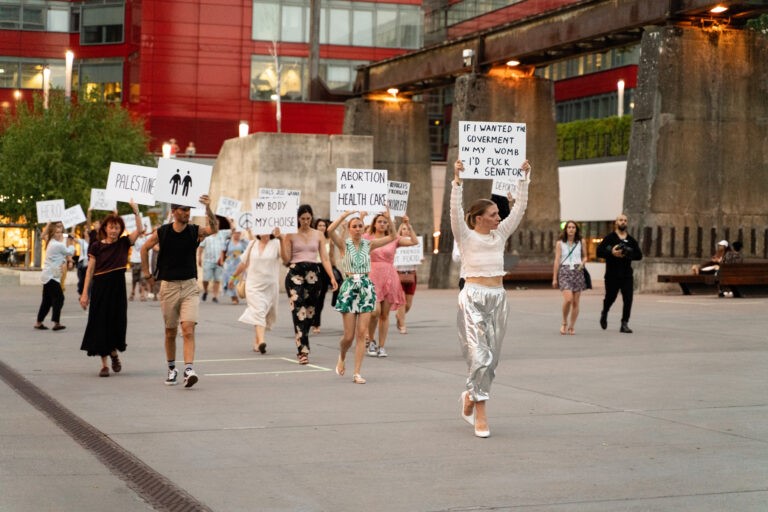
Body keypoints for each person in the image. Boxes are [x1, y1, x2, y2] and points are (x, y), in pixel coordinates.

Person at [452, 158, 531, 438]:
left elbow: (519, 209)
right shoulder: (465, 235)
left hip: (498, 298)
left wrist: (524, 179)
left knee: (492, 361)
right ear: (478, 218)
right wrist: (457, 181)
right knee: (480, 356)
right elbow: (454, 212)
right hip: (473, 296)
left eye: (499, 214)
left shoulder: (500, 235)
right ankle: (481, 414)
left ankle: (471, 396)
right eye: (494, 213)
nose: (499, 217)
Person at [140, 196, 218, 388]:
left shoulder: (194, 231)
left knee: (188, 328)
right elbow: (144, 248)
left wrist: (208, 208)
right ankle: (172, 368)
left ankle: (189, 369)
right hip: (169, 287)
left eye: (188, 210)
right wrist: (146, 272)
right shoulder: (163, 232)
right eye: (183, 209)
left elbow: (214, 228)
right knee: (170, 331)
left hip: (190, 286)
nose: (187, 213)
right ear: (174, 211)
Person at [328, 211, 395, 384]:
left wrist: (389, 218)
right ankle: (342, 355)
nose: (357, 229)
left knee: (361, 333)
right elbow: (329, 230)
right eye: (354, 226)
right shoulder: (344, 245)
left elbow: (393, 237)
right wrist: (344, 216)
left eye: (359, 226)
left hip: (365, 287)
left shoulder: (369, 244)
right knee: (348, 336)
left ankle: (357, 372)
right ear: (349, 229)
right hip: (350, 287)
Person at [79, 203, 143, 377]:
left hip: (118, 288)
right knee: (100, 324)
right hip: (100, 288)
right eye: (111, 227)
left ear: (120, 229)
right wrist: (85, 293)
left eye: (117, 227)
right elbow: (90, 271)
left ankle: (114, 353)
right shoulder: (96, 247)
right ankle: (104, 365)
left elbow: (140, 229)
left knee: (115, 323)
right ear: (105, 228)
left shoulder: (124, 243)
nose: (114, 230)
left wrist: (135, 210)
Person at [280, 204, 337, 365]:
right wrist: (279, 239)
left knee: (310, 312)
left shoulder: (319, 234)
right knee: (299, 312)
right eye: (302, 218)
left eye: (308, 218)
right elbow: (285, 260)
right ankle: (302, 351)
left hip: (314, 273)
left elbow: (324, 258)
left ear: (311, 218)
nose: (305, 221)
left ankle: (303, 338)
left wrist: (332, 277)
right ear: (298, 218)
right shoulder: (290, 234)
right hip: (295, 273)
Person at [364, 214, 418, 357]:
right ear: (374, 224)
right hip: (372, 276)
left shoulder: (394, 239)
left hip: (389, 277)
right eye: (380, 222)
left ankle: (381, 346)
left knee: (384, 314)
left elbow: (414, 241)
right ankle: (370, 340)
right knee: (374, 312)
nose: (382, 224)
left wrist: (408, 225)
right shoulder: (367, 238)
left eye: (385, 222)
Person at [231, 228, 283, 353]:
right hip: (253, 284)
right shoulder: (252, 244)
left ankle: (256, 342)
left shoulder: (276, 244)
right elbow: (243, 263)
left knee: (264, 313)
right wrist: (233, 277)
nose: (264, 232)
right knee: (258, 310)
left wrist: (282, 237)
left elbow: (286, 258)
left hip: (270, 285)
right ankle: (261, 341)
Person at [596, 213, 643, 334]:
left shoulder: (631, 240)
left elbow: (639, 255)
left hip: (627, 274)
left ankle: (624, 323)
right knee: (610, 297)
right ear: (616, 223)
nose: (623, 222)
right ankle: (604, 312)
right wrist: (611, 252)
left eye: (625, 220)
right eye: (621, 220)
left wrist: (628, 253)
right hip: (612, 274)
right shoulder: (610, 238)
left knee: (628, 299)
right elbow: (599, 252)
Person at [34, 222, 74, 331]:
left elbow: (44, 235)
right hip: (51, 276)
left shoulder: (51, 242)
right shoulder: (57, 244)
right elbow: (70, 251)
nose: (59, 233)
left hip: (48, 275)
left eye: (60, 231)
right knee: (59, 298)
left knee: (47, 301)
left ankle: (38, 322)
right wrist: (71, 242)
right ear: (52, 233)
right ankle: (56, 323)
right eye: (56, 232)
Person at [552, 220, 587, 335]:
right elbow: (557, 260)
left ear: (576, 229)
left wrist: (583, 262)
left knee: (576, 302)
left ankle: (572, 326)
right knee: (568, 299)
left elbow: (585, 256)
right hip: (565, 271)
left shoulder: (581, 241)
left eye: (573, 227)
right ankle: (564, 322)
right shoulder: (560, 243)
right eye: (569, 227)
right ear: (566, 229)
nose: (571, 229)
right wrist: (554, 278)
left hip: (577, 270)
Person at [311, 218, 340, 334]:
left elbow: (331, 256)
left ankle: (335, 302)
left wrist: (334, 268)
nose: (322, 227)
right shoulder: (313, 239)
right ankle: (314, 322)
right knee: (316, 298)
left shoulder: (329, 240)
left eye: (324, 225)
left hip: (325, 268)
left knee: (337, 285)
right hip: (315, 268)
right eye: (319, 225)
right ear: (316, 227)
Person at [395, 223, 422, 335]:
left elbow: (417, 254)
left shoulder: (413, 242)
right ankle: (402, 325)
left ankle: (399, 316)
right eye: (403, 229)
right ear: (400, 231)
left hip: (411, 275)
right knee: (401, 302)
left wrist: (419, 258)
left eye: (407, 229)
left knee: (408, 304)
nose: (405, 231)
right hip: (399, 274)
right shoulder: (397, 242)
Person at [221, 226, 249, 305]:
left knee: (238, 280)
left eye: (238, 233)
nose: (237, 234)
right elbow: (223, 251)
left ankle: (239, 293)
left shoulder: (243, 242)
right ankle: (233, 297)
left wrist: (248, 232)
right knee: (230, 280)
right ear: (232, 233)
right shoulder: (228, 242)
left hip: (239, 264)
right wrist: (222, 261)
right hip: (229, 265)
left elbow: (250, 245)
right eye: (235, 233)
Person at [198, 230, 227, 303]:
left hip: (218, 261)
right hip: (208, 261)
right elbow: (201, 247)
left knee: (217, 279)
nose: (216, 226)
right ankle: (205, 291)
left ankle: (215, 296)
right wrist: (199, 258)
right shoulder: (207, 235)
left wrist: (229, 221)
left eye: (217, 224)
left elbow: (233, 231)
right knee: (205, 279)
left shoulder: (222, 234)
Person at [129, 231, 148, 301]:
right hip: (135, 260)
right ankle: (132, 292)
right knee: (134, 279)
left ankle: (142, 295)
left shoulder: (145, 238)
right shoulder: (134, 238)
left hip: (143, 261)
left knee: (143, 279)